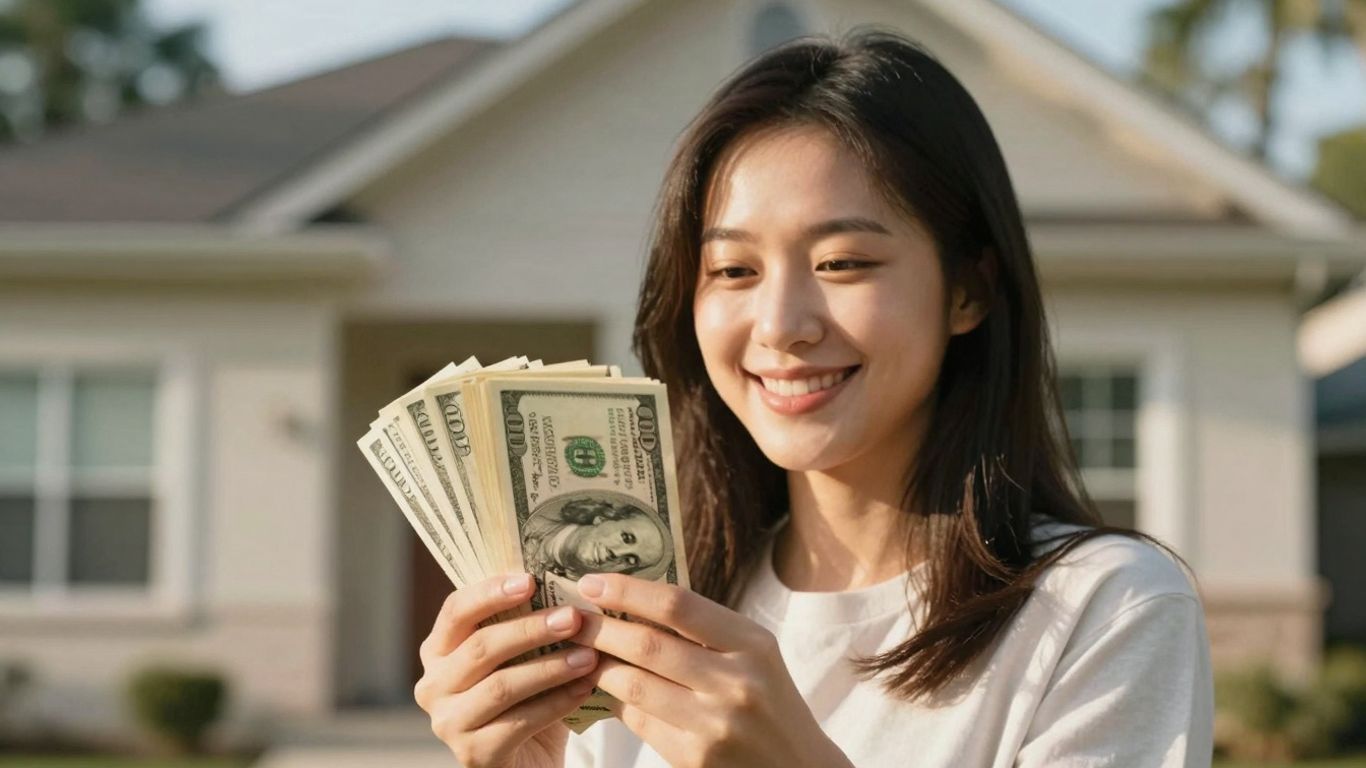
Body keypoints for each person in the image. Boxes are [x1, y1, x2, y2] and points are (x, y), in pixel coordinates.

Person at [412, 29, 1214, 768]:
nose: (783, 326)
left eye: (844, 263)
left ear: (968, 290)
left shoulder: (1105, 609)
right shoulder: (642, 619)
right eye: (733, 271)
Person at [521, 495, 671, 580]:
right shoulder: (533, 525)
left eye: (630, 560)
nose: (617, 554)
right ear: (604, 518)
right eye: (626, 538)